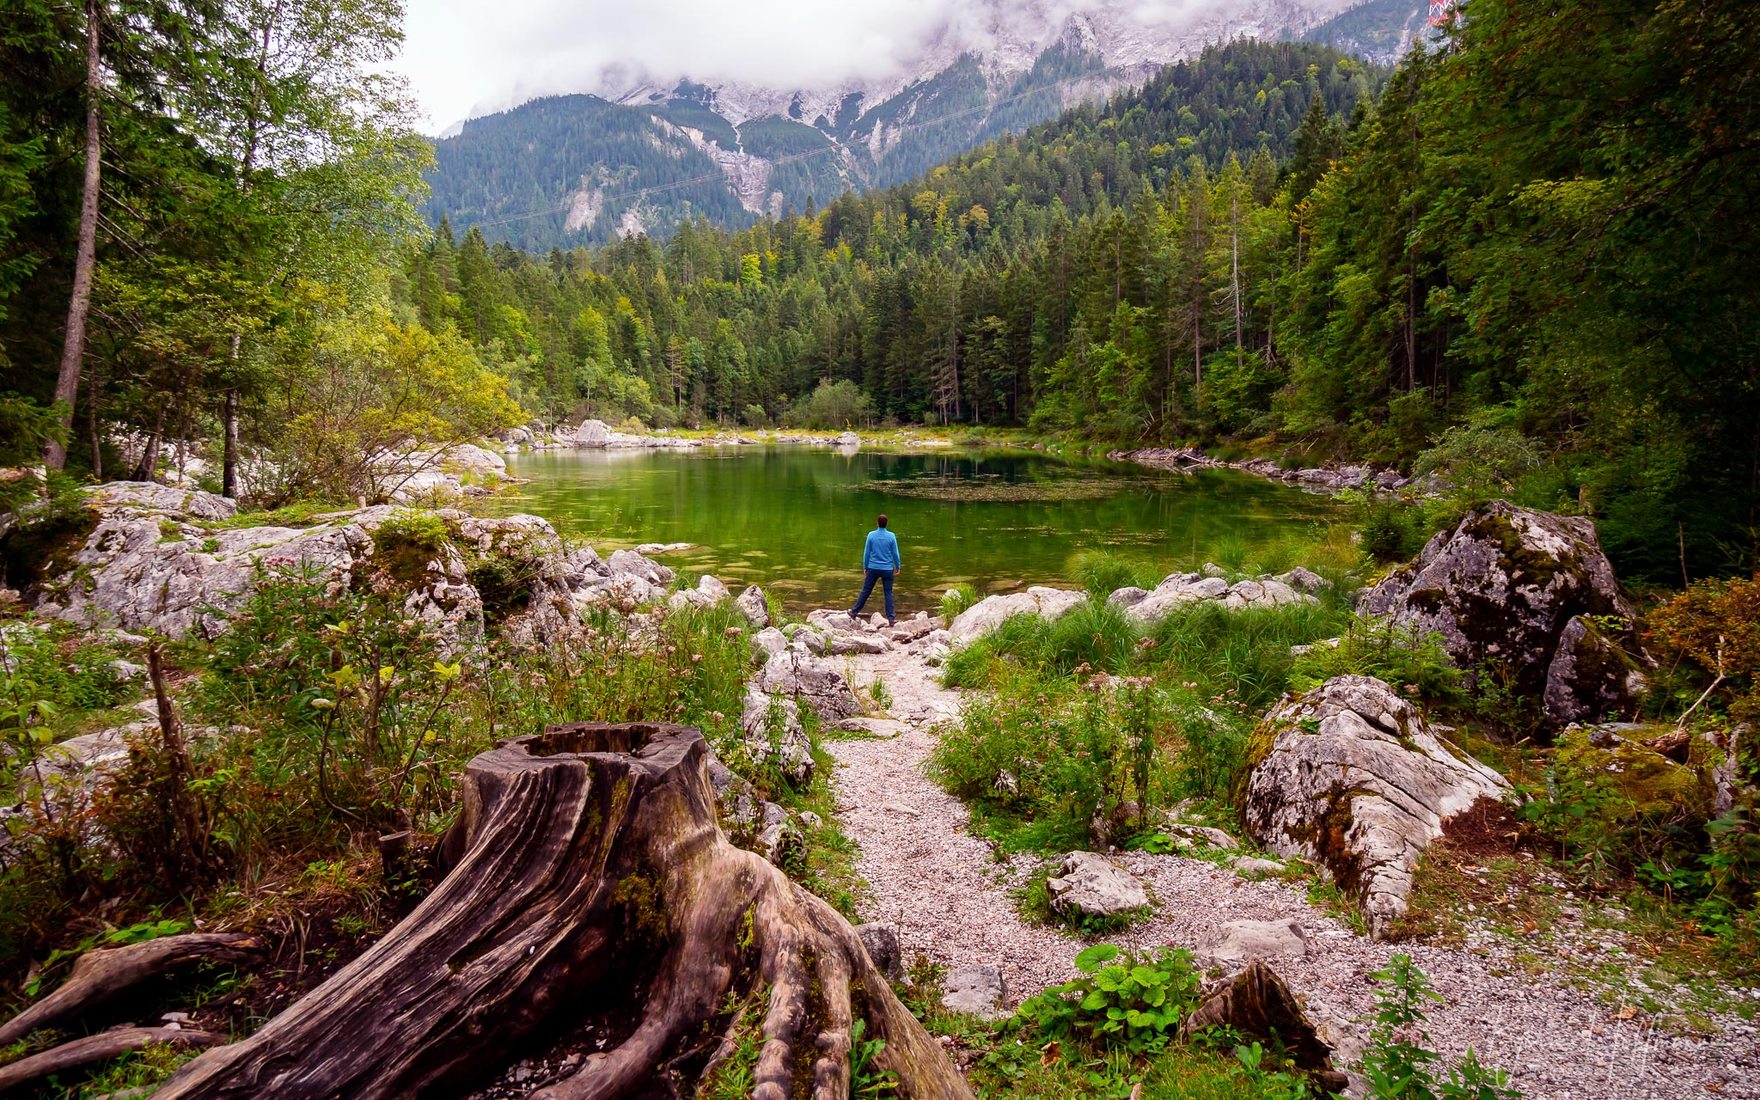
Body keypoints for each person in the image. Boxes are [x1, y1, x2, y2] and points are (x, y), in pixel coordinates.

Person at [848, 514, 901, 626]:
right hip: (887, 569)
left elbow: (867, 553)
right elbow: (895, 553)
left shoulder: (871, 535)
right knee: (888, 593)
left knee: (866, 590)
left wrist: (865, 567)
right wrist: (898, 566)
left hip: (873, 568)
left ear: (877, 523)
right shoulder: (891, 536)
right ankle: (891, 619)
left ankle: (854, 611)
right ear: (887, 524)